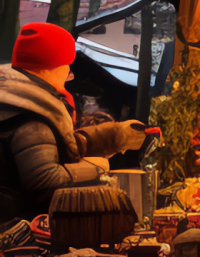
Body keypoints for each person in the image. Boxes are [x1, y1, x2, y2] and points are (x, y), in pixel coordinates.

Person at [0, 21, 145, 223]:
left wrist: (114, 136)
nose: (69, 74)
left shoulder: (17, 101)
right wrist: (98, 168)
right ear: (52, 66)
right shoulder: (29, 115)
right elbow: (45, 184)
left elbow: (51, 147)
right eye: (67, 66)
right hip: (14, 231)